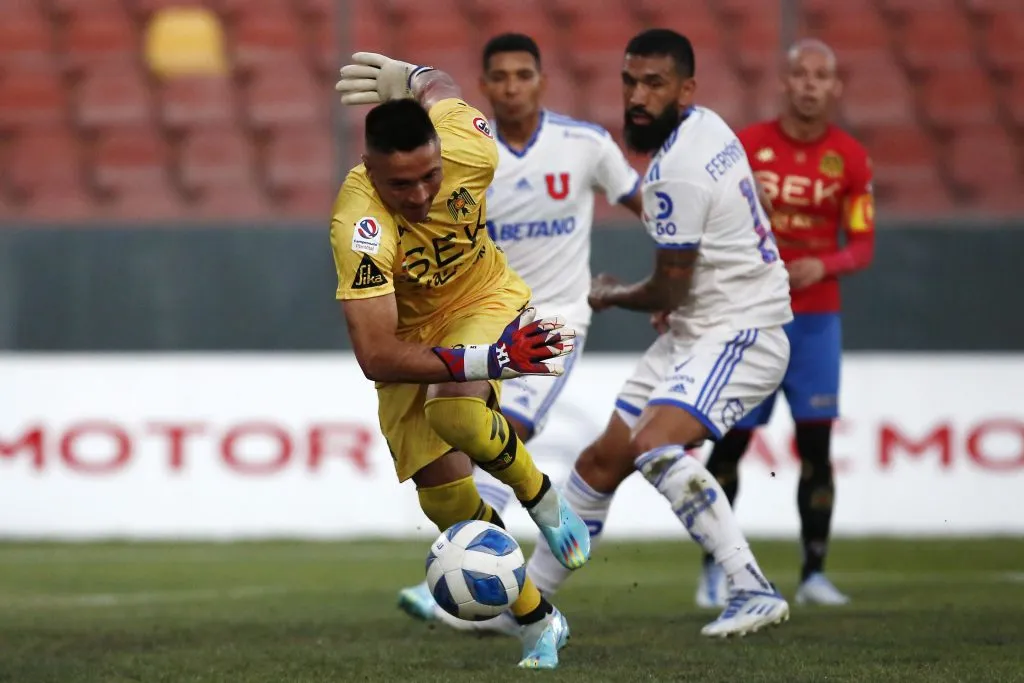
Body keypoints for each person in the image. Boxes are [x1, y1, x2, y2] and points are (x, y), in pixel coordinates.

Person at [471, 28, 796, 638]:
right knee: (600, 462)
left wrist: (615, 292)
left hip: (741, 330)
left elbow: (668, 287)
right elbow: (707, 258)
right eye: (630, 82)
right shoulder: (709, 127)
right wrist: (683, 291)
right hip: (698, 327)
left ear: (686, 88)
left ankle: (751, 587)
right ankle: (528, 605)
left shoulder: (676, 171)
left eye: (654, 84)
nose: (638, 97)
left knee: (654, 446)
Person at [331, 51, 593, 669]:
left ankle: (543, 501)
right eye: (402, 184)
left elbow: (442, 86)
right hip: (408, 336)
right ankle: (539, 622)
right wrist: (490, 359)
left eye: (430, 176)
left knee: (456, 415)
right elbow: (376, 354)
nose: (421, 194)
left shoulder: (472, 147)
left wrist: (412, 74)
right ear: (370, 168)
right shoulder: (359, 227)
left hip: (481, 295)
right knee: (445, 503)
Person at [395, 32, 643, 627]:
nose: (511, 87)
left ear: (541, 81)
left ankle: (467, 576)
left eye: (522, 75)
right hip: (483, 315)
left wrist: (675, 282)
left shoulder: (584, 145)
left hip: (554, 316)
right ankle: (492, 580)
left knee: (504, 429)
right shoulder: (461, 154)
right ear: (482, 87)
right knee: (459, 438)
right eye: (499, 77)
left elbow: (648, 204)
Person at [695, 39, 875, 609]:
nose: (811, 84)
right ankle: (714, 570)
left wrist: (828, 262)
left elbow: (864, 244)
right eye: (801, 74)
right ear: (785, 82)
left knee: (817, 447)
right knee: (729, 445)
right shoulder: (748, 147)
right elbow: (715, 218)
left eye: (823, 76)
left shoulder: (850, 157)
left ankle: (814, 573)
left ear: (836, 87)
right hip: (754, 314)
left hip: (817, 321)